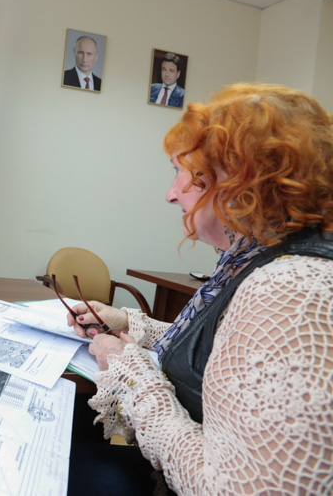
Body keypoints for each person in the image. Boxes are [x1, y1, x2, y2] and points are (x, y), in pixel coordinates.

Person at [69, 84, 333, 494]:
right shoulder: (256, 254)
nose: (171, 194)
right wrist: (127, 323)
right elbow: (225, 354)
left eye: (184, 173)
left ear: (242, 179)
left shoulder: (290, 292)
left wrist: (131, 374)